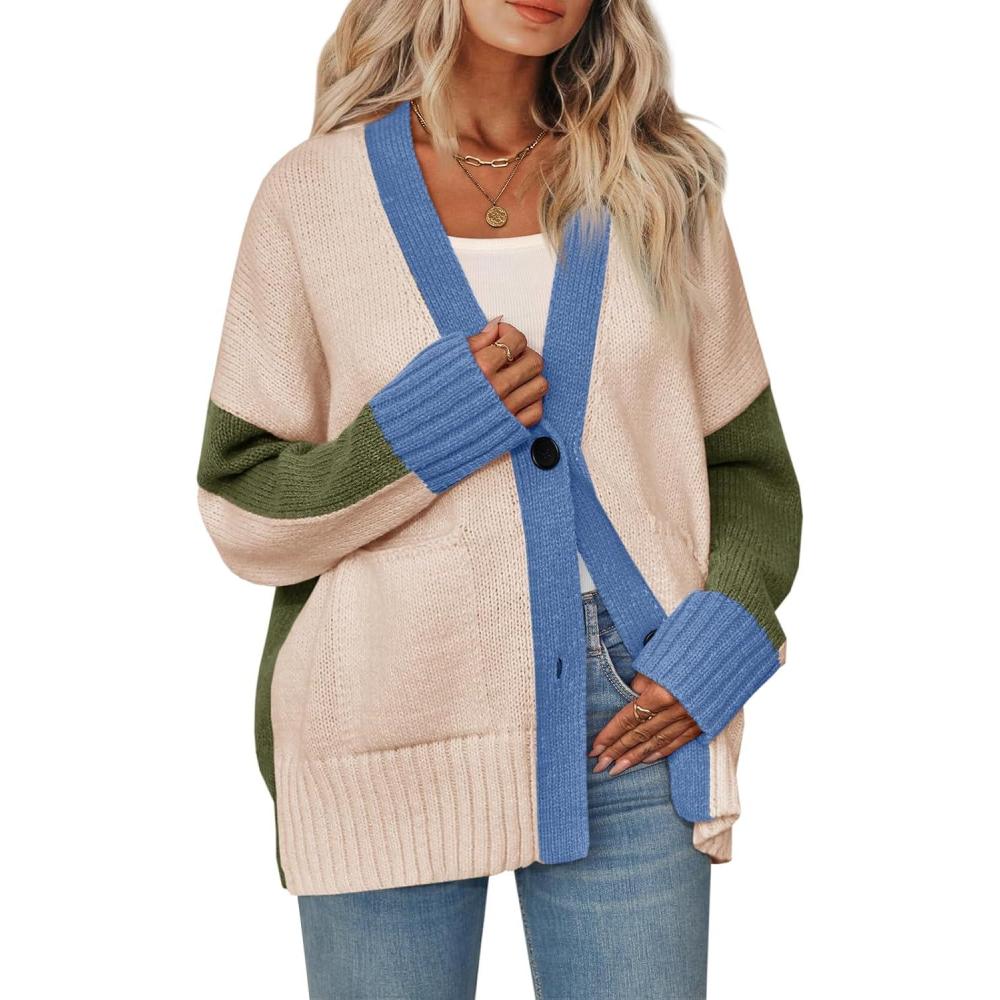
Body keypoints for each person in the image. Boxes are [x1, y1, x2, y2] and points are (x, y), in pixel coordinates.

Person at [195, 1, 803, 996]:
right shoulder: (311, 198)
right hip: (385, 710)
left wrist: (715, 646)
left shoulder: (659, 187)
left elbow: (747, 470)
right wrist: (410, 441)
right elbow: (240, 499)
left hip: (636, 703)